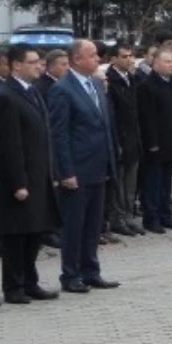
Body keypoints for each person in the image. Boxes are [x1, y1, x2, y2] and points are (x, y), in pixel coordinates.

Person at [0, 45, 61, 303]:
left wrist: (50, 172)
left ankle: (30, 282)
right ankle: (13, 286)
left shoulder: (32, 93)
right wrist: (18, 182)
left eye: (39, 62)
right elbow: (9, 144)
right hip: (19, 179)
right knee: (17, 236)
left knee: (34, 232)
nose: (38, 66)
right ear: (16, 65)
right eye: (32, 62)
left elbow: (42, 136)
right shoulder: (6, 96)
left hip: (38, 175)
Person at [48, 39, 119, 293]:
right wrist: (65, 171)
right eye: (92, 55)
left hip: (99, 166)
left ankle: (91, 270)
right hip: (77, 169)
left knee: (93, 224)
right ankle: (70, 274)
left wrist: (111, 160)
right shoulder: (62, 89)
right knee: (74, 225)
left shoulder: (97, 85)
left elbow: (104, 126)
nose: (97, 59)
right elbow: (59, 134)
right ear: (77, 59)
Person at [136, 50, 172, 233]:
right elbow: (147, 118)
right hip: (155, 145)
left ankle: (166, 215)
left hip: (171, 142)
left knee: (166, 183)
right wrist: (152, 143)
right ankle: (152, 218)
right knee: (153, 184)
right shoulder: (147, 86)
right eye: (166, 62)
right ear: (155, 64)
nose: (170, 65)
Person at [105, 43, 144, 237]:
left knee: (131, 183)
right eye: (124, 56)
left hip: (134, 139)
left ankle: (128, 216)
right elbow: (112, 116)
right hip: (120, 140)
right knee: (118, 184)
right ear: (113, 59)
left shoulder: (132, 79)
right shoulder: (110, 82)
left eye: (131, 56)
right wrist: (117, 143)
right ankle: (117, 219)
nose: (129, 59)